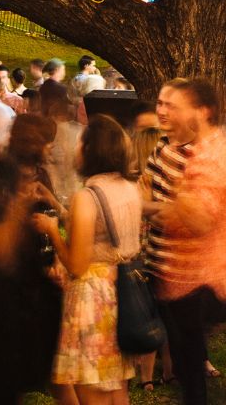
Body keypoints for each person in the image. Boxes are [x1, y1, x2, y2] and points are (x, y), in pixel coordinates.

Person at [148, 79, 226, 405]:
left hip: (194, 277)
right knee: (187, 363)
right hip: (179, 274)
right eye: (161, 104)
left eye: (176, 105)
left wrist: (171, 201)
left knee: (190, 368)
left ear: (201, 112)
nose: (165, 111)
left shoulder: (208, 157)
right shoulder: (190, 148)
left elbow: (201, 220)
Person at [35, 115, 141, 403]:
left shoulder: (88, 195)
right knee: (116, 384)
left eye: (81, 143)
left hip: (92, 301)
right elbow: (102, 232)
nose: (75, 149)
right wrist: (57, 205)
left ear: (92, 149)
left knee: (93, 388)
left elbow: (78, 264)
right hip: (120, 293)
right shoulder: (130, 188)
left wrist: (52, 232)